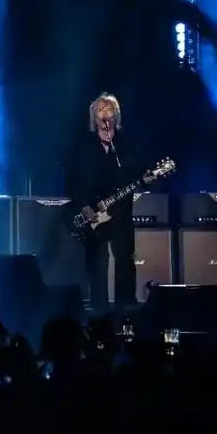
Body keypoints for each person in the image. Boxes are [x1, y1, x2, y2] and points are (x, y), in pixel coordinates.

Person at [66, 93, 154, 313]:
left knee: (125, 259)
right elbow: (73, 179)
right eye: (100, 110)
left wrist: (146, 179)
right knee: (97, 262)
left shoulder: (126, 143)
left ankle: (125, 308)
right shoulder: (84, 146)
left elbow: (138, 174)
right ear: (93, 116)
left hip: (121, 211)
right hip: (92, 212)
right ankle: (99, 309)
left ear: (116, 115)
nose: (104, 114)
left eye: (109, 110)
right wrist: (84, 205)